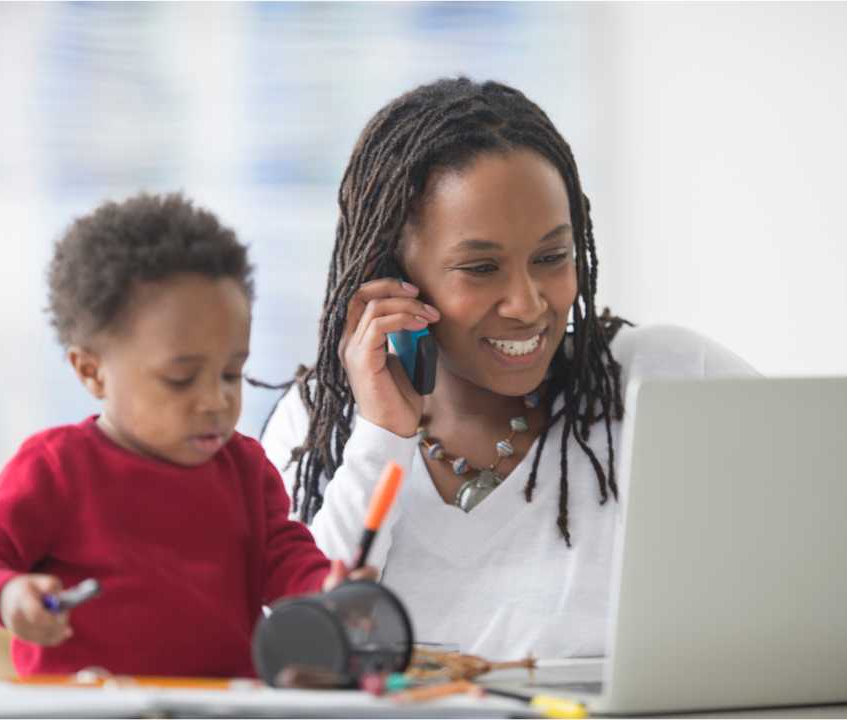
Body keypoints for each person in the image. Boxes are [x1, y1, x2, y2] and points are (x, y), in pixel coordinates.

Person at [262, 78, 757, 661]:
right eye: (480, 267)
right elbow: (303, 662)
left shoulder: (671, 381)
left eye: (552, 257)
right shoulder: (319, 423)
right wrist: (381, 437)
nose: (526, 303)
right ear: (392, 273)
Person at [0, 193, 368, 678]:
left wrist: (328, 590)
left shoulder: (244, 469)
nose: (215, 400)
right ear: (91, 370)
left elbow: (286, 561)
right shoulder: (57, 467)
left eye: (231, 374)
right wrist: (6, 593)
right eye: (180, 379)